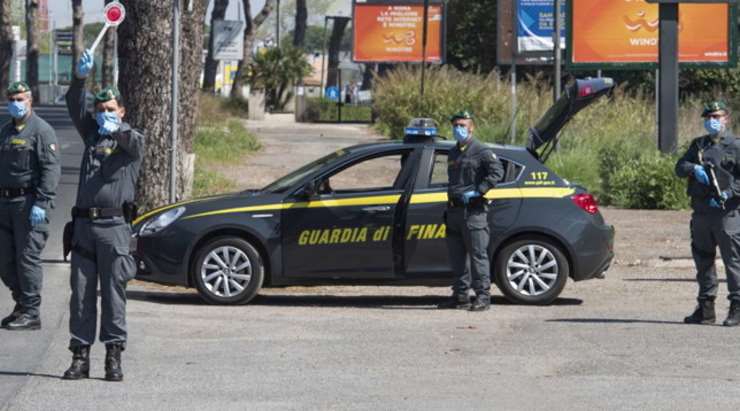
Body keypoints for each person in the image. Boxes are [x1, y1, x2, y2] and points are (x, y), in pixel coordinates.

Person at [62, 49, 145, 381]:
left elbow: (136, 144)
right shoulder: (92, 135)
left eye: (110, 110)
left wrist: (118, 128)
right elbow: (74, 104)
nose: (103, 115)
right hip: (84, 226)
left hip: (114, 228)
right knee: (81, 295)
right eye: (100, 110)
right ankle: (80, 357)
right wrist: (80, 78)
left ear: (121, 111)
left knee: (114, 295)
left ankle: (114, 356)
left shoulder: (130, 141)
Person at [0, 81, 60, 330]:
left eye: (20, 99)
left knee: (27, 259)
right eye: (12, 99)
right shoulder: (5, 131)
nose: (16, 103)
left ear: (30, 100)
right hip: (4, 203)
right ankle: (21, 303)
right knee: (5, 260)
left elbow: (51, 168)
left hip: (28, 204)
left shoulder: (41, 131)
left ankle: (32, 311)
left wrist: (42, 202)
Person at [676, 100, 740, 327]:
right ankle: (705, 309)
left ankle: (736, 307)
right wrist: (694, 168)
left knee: (733, 261)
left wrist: (729, 193)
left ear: (726, 119)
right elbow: (679, 168)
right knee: (703, 260)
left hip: (726, 213)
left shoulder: (736, 146)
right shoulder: (699, 145)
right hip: (701, 212)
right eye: (708, 117)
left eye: (717, 116)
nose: (712, 121)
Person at [438, 111, 504, 312]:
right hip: (454, 212)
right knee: (457, 258)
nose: (458, 128)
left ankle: (483, 297)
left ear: (471, 127)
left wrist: (479, 191)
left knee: (477, 256)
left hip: (473, 213)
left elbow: (497, 172)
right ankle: (460, 296)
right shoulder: (453, 152)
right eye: (455, 125)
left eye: (462, 125)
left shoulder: (481, 150)